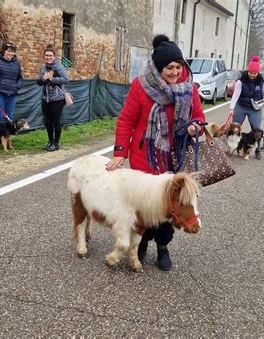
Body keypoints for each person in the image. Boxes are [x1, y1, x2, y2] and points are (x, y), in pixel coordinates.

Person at [105, 34, 205, 271]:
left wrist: (194, 126)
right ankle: (140, 244)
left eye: (178, 67)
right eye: (169, 67)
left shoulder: (189, 89)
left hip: (175, 157)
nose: (174, 72)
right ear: (158, 67)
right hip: (145, 157)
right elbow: (126, 120)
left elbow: (199, 118)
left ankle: (163, 246)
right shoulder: (141, 86)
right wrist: (120, 152)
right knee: (143, 205)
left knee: (170, 205)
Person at [229, 56, 264, 159]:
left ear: (258, 73)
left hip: (255, 109)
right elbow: (235, 95)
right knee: (234, 128)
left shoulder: (261, 82)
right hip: (241, 106)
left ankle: (257, 150)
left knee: (257, 131)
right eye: (251, 72)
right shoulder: (241, 81)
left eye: (254, 73)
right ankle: (231, 147)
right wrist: (231, 108)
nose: (252, 75)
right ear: (248, 71)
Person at [37, 45, 69, 151]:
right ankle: (50, 141)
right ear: (44, 56)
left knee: (56, 121)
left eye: (50, 55)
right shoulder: (42, 68)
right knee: (48, 121)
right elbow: (39, 82)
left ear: (54, 56)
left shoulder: (58, 66)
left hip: (57, 98)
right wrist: (44, 79)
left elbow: (65, 79)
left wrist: (52, 78)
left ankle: (56, 143)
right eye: (46, 55)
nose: (48, 57)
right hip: (45, 99)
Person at [0, 42, 23, 121]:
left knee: (10, 115)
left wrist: (17, 86)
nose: (10, 53)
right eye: (8, 51)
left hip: (12, 92)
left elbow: (20, 78)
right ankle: (1, 133)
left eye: (12, 51)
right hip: (0, 92)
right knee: (1, 116)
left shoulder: (17, 63)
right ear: (4, 51)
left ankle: (7, 133)